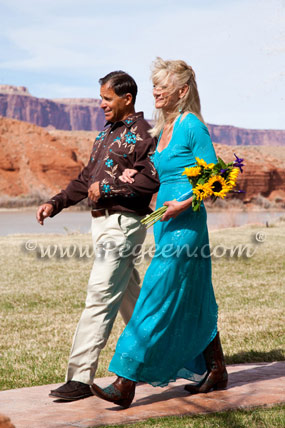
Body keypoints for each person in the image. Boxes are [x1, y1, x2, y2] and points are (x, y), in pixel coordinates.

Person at [91, 58, 228, 408]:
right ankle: (216, 368)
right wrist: (132, 181)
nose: (155, 90)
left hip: (186, 226)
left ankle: (126, 380)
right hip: (164, 224)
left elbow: (216, 180)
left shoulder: (192, 125)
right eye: (154, 84)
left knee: (154, 292)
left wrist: (183, 204)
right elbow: (159, 175)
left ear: (181, 90)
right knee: (193, 296)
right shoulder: (164, 128)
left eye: (162, 85)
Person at [36, 71, 159, 401]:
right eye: (100, 97)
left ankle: (80, 377)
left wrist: (107, 187)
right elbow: (84, 179)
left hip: (123, 224)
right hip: (100, 224)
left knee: (101, 293)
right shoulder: (105, 133)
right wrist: (55, 202)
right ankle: (161, 360)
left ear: (126, 99)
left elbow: (151, 180)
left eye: (107, 98)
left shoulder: (146, 132)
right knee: (132, 301)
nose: (100, 103)